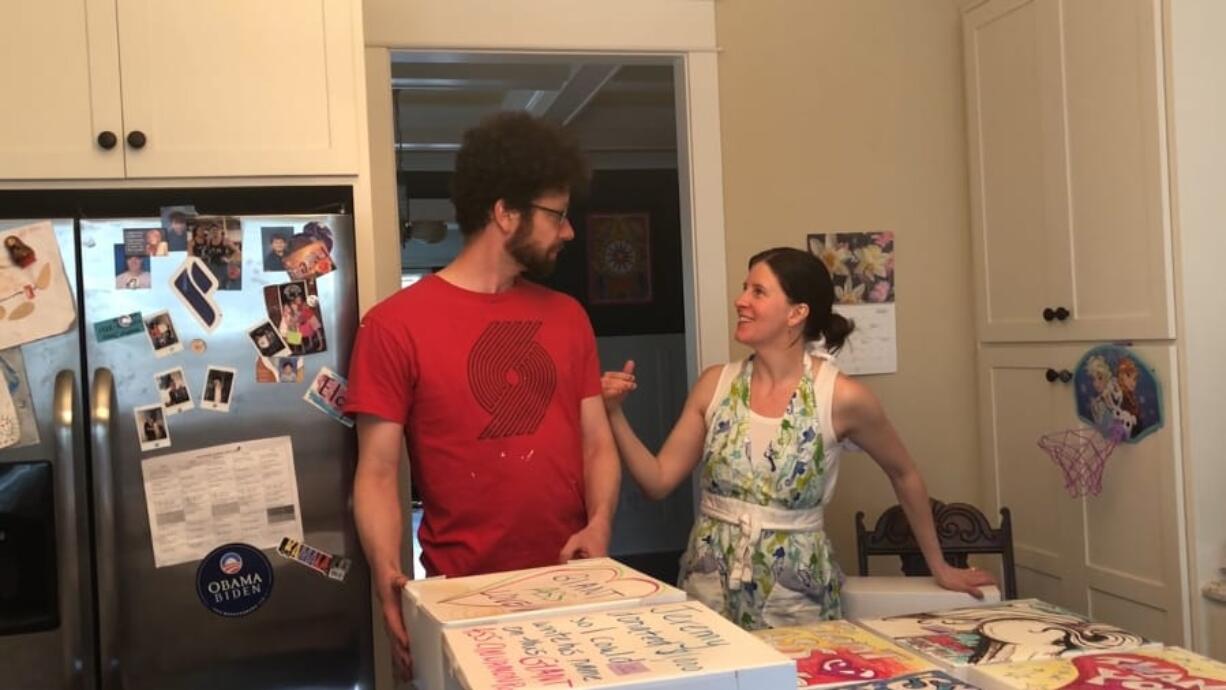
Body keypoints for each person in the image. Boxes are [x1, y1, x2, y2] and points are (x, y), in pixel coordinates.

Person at [344, 111, 620, 678]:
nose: (568, 231)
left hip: (572, 590)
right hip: (460, 601)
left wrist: (600, 522)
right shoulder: (393, 326)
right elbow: (375, 473)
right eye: (557, 215)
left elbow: (597, 443)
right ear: (504, 212)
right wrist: (383, 572)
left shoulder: (568, 318)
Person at [600, 247, 995, 631]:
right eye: (744, 288)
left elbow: (904, 473)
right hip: (709, 593)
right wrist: (615, 412)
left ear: (796, 312)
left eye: (758, 291)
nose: (740, 301)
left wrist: (940, 567)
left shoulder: (840, 397)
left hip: (795, 601)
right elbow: (657, 481)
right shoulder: (713, 385)